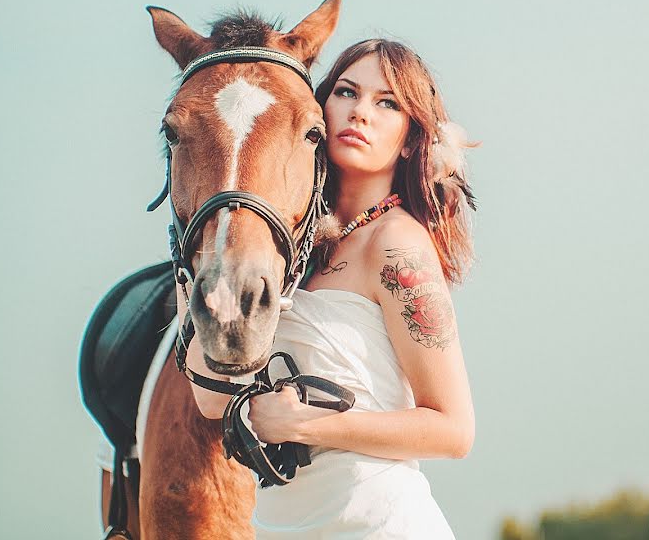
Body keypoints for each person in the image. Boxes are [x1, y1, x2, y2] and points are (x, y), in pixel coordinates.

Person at [188, 38, 479, 539]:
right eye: (346, 92)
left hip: (378, 526)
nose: (360, 113)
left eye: (387, 103)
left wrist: (306, 426)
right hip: (285, 527)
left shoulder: (396, 246)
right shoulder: (291, 252)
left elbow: (453, 430)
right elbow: (212, 400)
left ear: (411, 139)